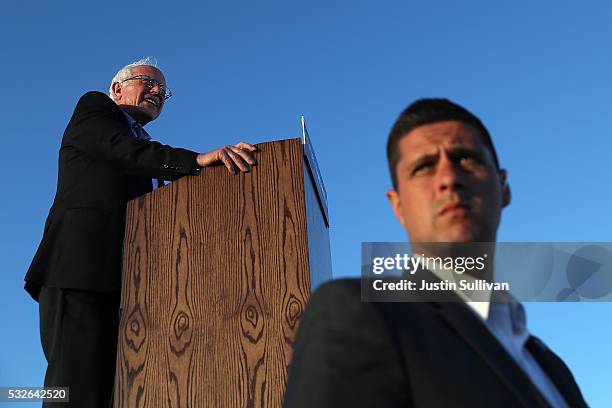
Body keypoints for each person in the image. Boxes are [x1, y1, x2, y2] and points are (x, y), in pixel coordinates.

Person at [283, 99, 588, 407]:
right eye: (424, 167)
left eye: (465, 158)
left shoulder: (553, 368)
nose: (448, 178)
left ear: (504, 185)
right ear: (397, 206)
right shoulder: (357, 313)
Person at [24, 57, 257, 407]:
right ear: (117, 88)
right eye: (147, 82)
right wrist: (195, 161)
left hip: (127, 288)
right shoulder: (96, 109)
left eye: (163, 90)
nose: (157, 92)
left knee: (110, 390)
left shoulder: (141, 147)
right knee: (73, 387)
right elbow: (121, 150)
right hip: (78, 271)